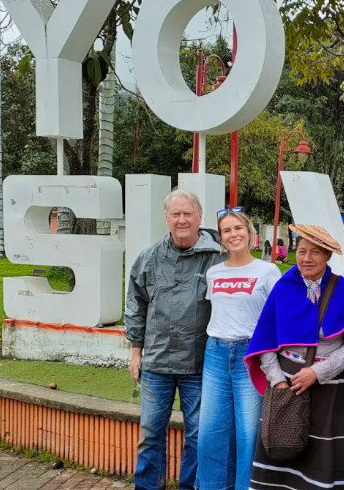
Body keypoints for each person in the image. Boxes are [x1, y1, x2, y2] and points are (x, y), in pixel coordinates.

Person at [244, 224, 344, 490]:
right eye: (301, 251)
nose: (306, 258)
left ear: (328, 256)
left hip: (331, 390)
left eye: (315, 253)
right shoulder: (283, 287)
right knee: (281, 456)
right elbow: (265, 343)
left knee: (324, 462)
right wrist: (278, 381)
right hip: (287, 386)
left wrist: (317, 373)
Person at [124, 189, 226, 490]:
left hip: (199, 363)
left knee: (197, 434)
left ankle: (189, 487)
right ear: (166, 218)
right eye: (176, 214)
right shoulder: (149, 258)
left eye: (188, 213)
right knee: (150, 433)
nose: (182, 219)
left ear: (200, 217)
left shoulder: (217, 257)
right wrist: (135, 351)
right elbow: (136, 305)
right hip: (156, 363)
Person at [196, 208, 281, 490]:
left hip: (251, 355)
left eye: (238, 229)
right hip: (215, 353)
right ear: (221, 239)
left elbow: (277, 317)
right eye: (226, 231)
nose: (233, 235)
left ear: (250, 232)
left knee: (249, 431)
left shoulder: (268, 271)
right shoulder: (213, 272)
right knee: (211, 429)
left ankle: (248, 486)